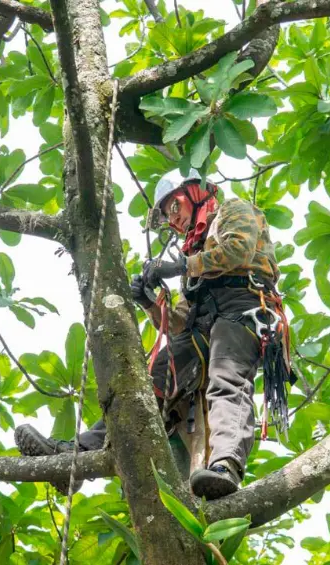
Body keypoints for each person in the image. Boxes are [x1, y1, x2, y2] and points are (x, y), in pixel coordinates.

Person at [15, 169, 282, 500]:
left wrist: (182, 266)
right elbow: (178, 324)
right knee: (149, 382)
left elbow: (238, 252)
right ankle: (78, 454)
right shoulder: (194, 254)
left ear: (196, 194)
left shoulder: (233, 211)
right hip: (204, 326)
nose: (174, 222)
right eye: (169, 217)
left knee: (225, 378)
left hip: (243, 310)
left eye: (174, 209)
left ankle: (224, 466)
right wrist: (147, 302)